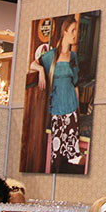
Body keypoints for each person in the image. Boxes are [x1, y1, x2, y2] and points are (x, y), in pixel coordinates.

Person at [30, 16, 84, 172]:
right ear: (65, 31)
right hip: (56, 108)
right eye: (73, 30)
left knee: (73, 155)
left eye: (76, 31)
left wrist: (78, 111)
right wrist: (41, 71)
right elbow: (34, 64)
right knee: (57, 151)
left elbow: (75, 84)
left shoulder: (73, 57)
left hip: (72, 107)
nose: (75, 34)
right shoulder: (51, 56)